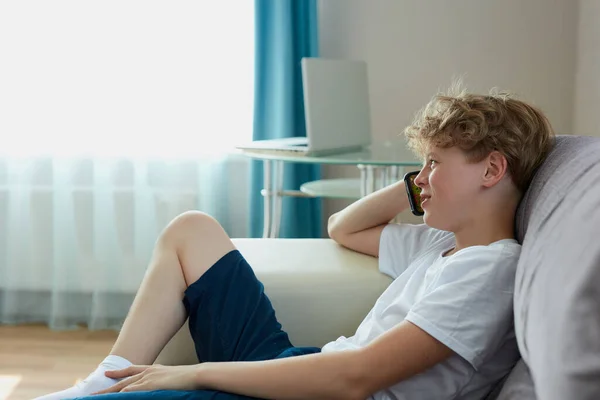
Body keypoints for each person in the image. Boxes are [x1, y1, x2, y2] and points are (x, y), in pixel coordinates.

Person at [36, 86, 555, 400]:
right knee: (191, 230)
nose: (421, 177)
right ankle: (103, 379)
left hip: (323, 391)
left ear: (492, 169)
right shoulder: (443, 244)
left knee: (151, 391)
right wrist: (414, 186)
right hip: (302, 366)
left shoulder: (488, 270)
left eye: (436, 162)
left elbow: (356, 379)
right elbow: (344, 229)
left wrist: (193, 374)